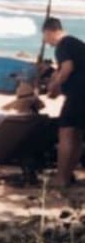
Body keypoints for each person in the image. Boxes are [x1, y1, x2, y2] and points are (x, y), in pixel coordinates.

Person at [42, 17, 85, 187]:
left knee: (66, 133)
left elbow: (67, 69)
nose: (46, 41)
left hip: (79, 95)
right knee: (76, 135)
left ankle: (61, 178)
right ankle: (67, 174)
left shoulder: (63, 44)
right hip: (80, 94)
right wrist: (56, 87)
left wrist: (54, 84)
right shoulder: (75, 44)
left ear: (50, 32)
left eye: (45, 36)